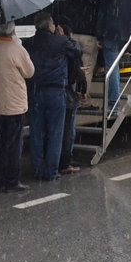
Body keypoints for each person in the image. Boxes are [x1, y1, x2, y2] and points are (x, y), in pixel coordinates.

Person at [23, 12, 81, 181]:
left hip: (35, 91)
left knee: (37, 131)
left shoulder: (28, 43)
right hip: (55, 92)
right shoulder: (60, 41)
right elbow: (77, 51)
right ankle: (51, 171)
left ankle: (38, 168)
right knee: (56, 132)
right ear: (50, 26)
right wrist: (64, 37)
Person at [0, 21, 35, 192]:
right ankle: (12, 180)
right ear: (13, 32)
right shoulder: (16, 49)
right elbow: (30, 72)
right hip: (14, 105)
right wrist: (19, 45)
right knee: (13, 145)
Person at [56, 22, 87, 175]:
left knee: (57, 130)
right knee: (68, 130)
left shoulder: (53, 47)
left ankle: (57, 160)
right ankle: (65, 161)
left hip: (56, 91)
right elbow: (79, 69)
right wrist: (83, 89)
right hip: (69, 93)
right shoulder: (70, 48)